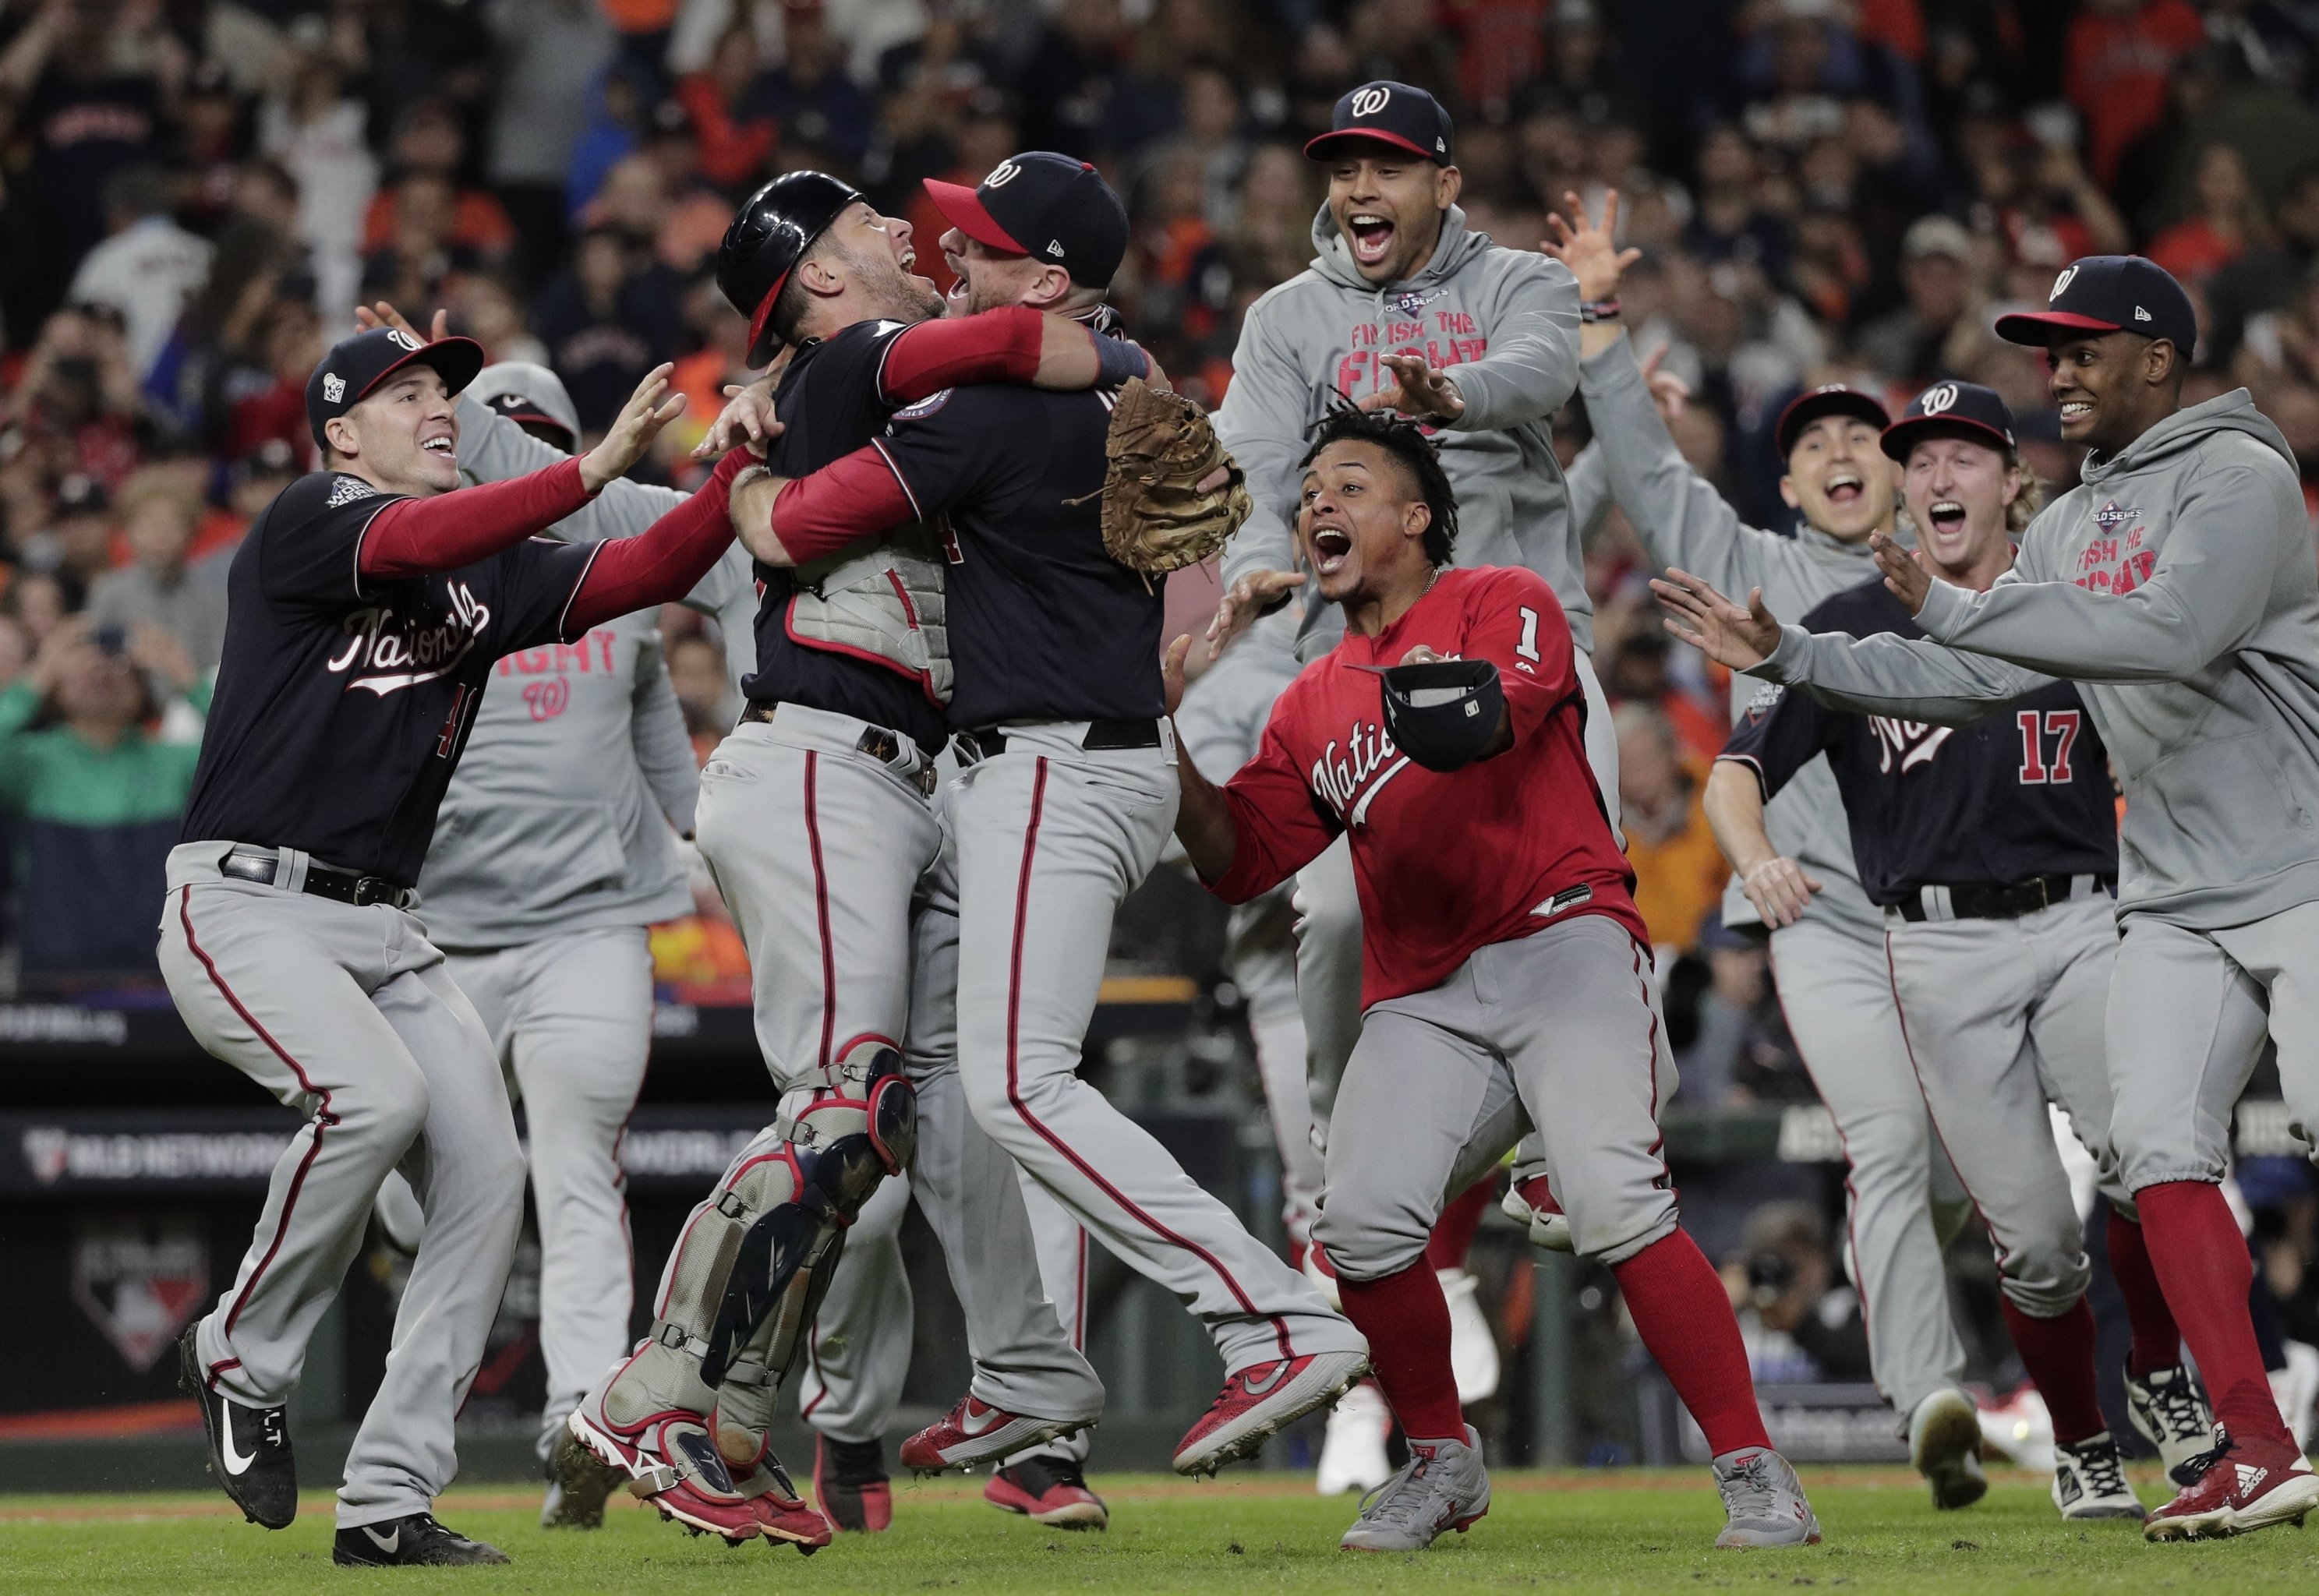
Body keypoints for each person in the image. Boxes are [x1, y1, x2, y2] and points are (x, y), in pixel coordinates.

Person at [729, 150, 1370, 1488]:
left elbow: (791, 531)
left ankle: (1272, 1320)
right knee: (977, 1084)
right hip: (1104, 760)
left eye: (983, 243)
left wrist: (735, 474)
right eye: (949, 237)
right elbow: (1181, 589)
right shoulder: (1112, 389)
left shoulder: (992, 413)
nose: (953, 254)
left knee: (1018, 1085)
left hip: (1048, 769)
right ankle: (1027, 1379)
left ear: (1051, 278)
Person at [1655, 254, 2319, 1541]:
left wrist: (1970, 621)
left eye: (2081, 349)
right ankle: (2256, 1445)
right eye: (2048, 350)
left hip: (2297, 867)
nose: (2055, 371)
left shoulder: (2239, 473)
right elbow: (1971, 681)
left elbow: (2172, 631)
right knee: (2162, 1160)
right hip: (2171, 898)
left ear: (2159, 362)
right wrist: (1794, 654)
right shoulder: (2067, 524)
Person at [557, 170, 1140, 1547]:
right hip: (825, 757)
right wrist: (1118, 346)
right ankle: (660, 1397)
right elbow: (1021, 339)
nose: (909, 234)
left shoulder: (852, 383)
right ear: (820, 281)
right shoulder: (864, 355)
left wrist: (751, 426)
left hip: (905, 776)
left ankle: (769, 1420)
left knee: (925, 1118)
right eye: (871, 227)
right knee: (850, 1107)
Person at [1168, 407, 1819, 1553]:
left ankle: (1755, 1468)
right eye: (1310, 488)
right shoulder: (1309, 698)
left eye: (1351, 484)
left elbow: (1495, 712)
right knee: (1358, 1229)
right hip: (1424, 991)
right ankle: (1441, 1461)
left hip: (1564, 940)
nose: (1319, 501)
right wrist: (1153, 734)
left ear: (1415, 518)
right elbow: (1243, 863)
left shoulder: (1500, 595)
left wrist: (1408, 686)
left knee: (1617, 1204)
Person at [163, 324, 748, 1568]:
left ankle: (386, 1498)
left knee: (486, 1186)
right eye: (408, 393)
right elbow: (416, 539)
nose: (440, 409)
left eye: (447, 392)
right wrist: (585, 472)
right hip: (248, 902)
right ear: (340, 431)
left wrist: (738, 483)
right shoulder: (316, 515)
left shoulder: (483, 582)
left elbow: (645, 571)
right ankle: (238, 1354)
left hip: (385, 923)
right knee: (371, 1104)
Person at [1544, 190, 1986, 1509]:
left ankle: (1968, 1341)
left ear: (1908, 469)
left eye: (1866, 434)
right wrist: (1601, 323)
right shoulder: (1742, 563)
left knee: (1970, 1176)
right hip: (1833, 923)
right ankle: (1931, 1403)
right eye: (1817, 443)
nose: (1844, 451)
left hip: (1976, 926)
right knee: (1889, 1149)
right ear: (1788, 482)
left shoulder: (1963, 587)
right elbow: (1641, 465)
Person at [1713, 380, 2209, 1520]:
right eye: (1922, 457)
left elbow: (2173, 720)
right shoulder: (1844, 626)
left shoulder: (2077, 600)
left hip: (2086, 917)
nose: (1940, 475)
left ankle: (2163, 1379)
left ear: (2010, 481)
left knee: (2148, 1163)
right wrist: (1753, 858)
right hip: (1935, 948)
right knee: (2036, 1246)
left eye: (1965, 455)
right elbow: (1739, 768)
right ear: (1903, 483)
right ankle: (2081, 1440)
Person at [1204, 78, 1594, 1439]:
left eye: (1388, 164)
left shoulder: (1523, 281)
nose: (1360, 186)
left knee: (1572, 895)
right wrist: (1251, 576)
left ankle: (1553, 1149)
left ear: (1444, 183)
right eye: (1343, 164)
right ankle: (1344, 1177)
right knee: (1329, 908)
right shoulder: (1287, 321)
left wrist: (1457, 390)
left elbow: (1548, 372)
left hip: (1525, 645)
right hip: (1377, 661)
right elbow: (1250, 476)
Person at [405, 362, 702, 1531]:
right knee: (435, 1188)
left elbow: (665, 759)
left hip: (591, 924)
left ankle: (580, 1419)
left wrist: (715, 850)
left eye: (540, 441)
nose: (517, 459)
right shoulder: (415, 579)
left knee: (578, 1171)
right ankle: (412, 1446)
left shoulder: (617, 588)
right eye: (502, 439)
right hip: (443, 938)